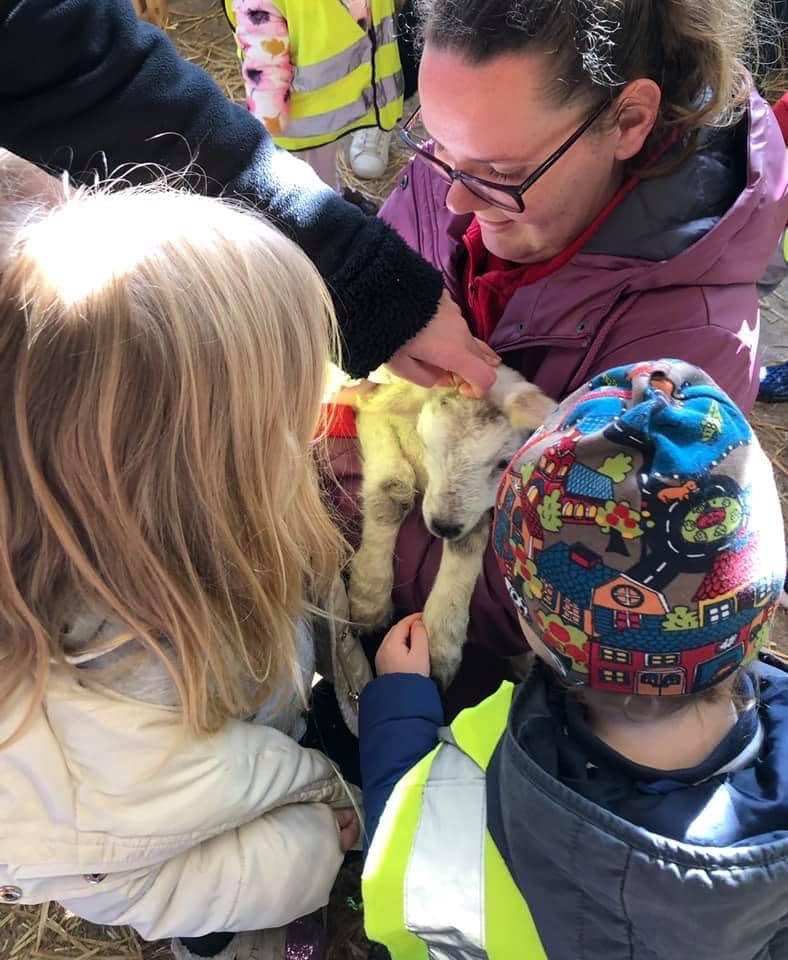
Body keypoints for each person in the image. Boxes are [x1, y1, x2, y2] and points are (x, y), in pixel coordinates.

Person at [329, 0, 788, 713]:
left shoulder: (683, 352)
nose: (453, 198)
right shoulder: (479, 162)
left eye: (494, 170)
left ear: (629, 122)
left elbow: (562, 591)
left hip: (486, 693)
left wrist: (328, 486)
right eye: (436, 149)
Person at [0, 180, 362, 960]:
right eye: (284, 416)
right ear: (199, 472)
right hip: (235, 890)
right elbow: (142, 882)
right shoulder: (84, 743)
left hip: (257, 753)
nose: (306, 431)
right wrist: (310, 846)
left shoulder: (159, 539)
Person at [359, 359, 788, 960]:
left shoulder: (465, 782)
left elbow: (404, 828)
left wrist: (398, 708)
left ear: (533, 621)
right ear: (762, 606)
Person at [0, 0, 498, 397]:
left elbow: (87, 74)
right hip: (298, 123)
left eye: (503, 170)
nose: (453, 201)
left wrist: (369, 284)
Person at [226, 0, 402, 188]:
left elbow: (264, 62)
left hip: (298, 116)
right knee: (321, 170)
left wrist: (266, 127)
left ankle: (323, 208)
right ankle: (331, 203)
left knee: (304, 182)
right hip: (330, 103)